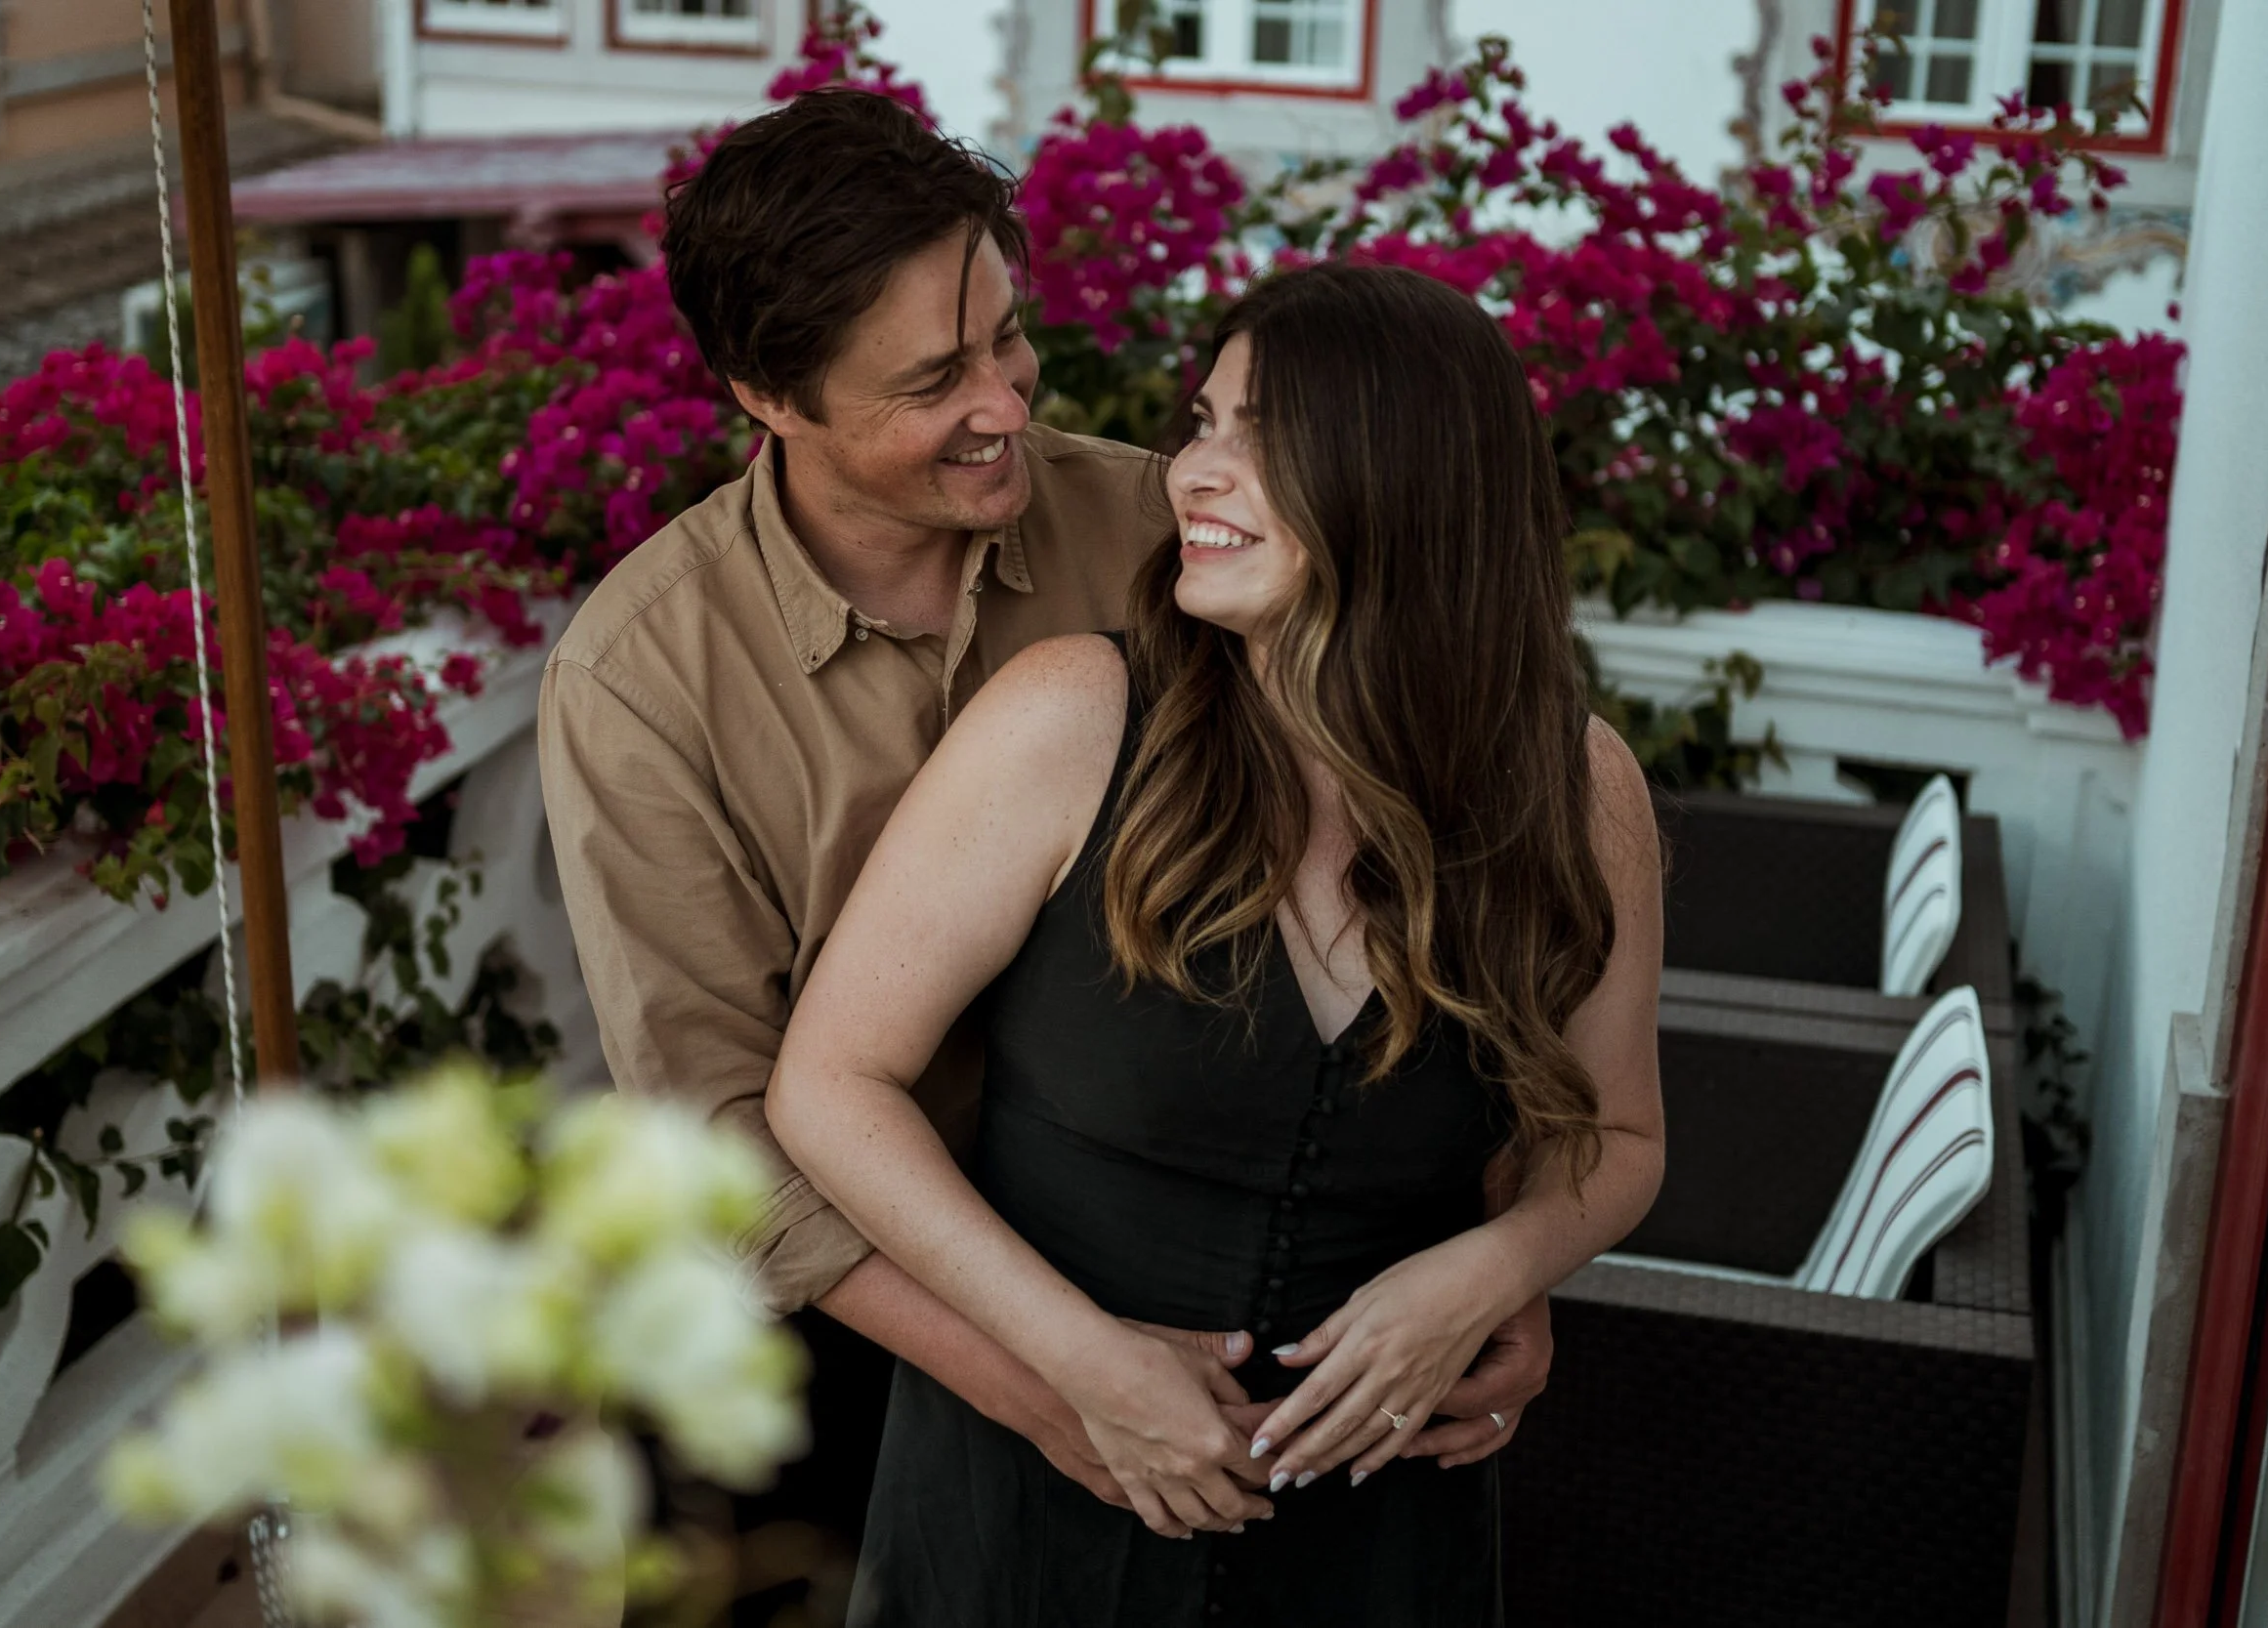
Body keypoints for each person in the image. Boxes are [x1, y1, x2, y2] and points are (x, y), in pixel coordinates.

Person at [538, 88, 1555, 1574]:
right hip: (828, 1314)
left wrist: (1500, 1253)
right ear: (768, 393)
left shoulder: (1168, 528)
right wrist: (1050, 1384)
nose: (1009, 401)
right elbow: (717, 1134)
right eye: (935, 377)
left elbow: (1433, 851)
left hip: (1170, 1287)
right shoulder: (639, 681)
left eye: (1007, 334)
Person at [765, 262, 1668, 1626]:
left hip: (1380, 1546)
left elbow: (1620, 1141)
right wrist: (1075, 1360)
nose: (1192, 470)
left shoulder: (1577, 788)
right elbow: (828, 1084)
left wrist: (1495, 1266)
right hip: (1034, 1515)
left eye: (1258, 436)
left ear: (1408, 481)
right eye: (1202, 421)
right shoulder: (1068, 717)